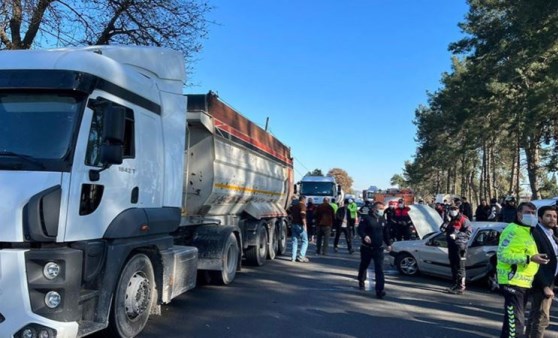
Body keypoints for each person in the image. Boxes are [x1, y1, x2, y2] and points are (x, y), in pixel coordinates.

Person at [497, 202, 549, 338]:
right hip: (512, 281)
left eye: (533, 213)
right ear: (519, 214)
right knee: (516, 324)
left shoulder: (528, 231)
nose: (531, 216)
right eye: (527, 213)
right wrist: (529, 258)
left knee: (510, 323)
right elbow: (503, 255)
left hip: (524, 283)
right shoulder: (512, 230)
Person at [525, 205, 558, 338]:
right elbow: (535, 262)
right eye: (548, 216)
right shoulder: (536, 234)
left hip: (550, 280)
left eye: (555, 216)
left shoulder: (551, 234)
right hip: (542, 282)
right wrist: (544, 286)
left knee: (535, 315)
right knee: (542, 318)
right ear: (540, 218)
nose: (552, 219)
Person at [357, 201, 392, 299]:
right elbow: (360, 230)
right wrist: (365, 236)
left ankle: (380, 290)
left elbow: (386, 234)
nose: (381, 211)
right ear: (373, 209)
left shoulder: (383, 220)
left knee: (379, 270)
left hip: (379, 249)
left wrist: (388, 244)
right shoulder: (366, 219)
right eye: (379, 208)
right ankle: (361, 279)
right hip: (367, 248)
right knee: (364, 265)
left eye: (382, 209)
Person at [440, 204, 472, 294]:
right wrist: (447, 222)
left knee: (460, 267)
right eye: (451, 209)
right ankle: (454, 284)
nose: (453, 211)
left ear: (458, 210)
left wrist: (457, 235)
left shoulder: (464, 219)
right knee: (453, 265)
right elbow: (442, 229)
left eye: (455, 209)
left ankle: (460, 287)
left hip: (460, 246)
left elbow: (468, 233)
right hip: (451, 245)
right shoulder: (450, 219)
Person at [287, 196, 309, 263]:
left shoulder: (294, 206)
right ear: (304, 200)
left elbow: (288, 211)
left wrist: (291, 217)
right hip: (300, 225)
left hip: (293, 224)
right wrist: (305, 225)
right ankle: (301, 256)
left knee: (294, 241)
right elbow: (303, 215)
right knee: (305, 241)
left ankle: (293, 258)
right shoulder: (302, 206)